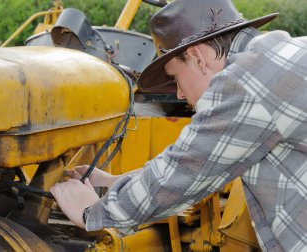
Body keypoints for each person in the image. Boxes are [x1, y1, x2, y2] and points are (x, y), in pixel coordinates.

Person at [51, 0, 307, 251]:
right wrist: (115, 180)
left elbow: (186, 170)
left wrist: (92, 213)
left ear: (196, 56)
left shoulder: (246, 80)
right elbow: (204, 156)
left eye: (175, 77)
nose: (180, 94)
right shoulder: (281, 55)